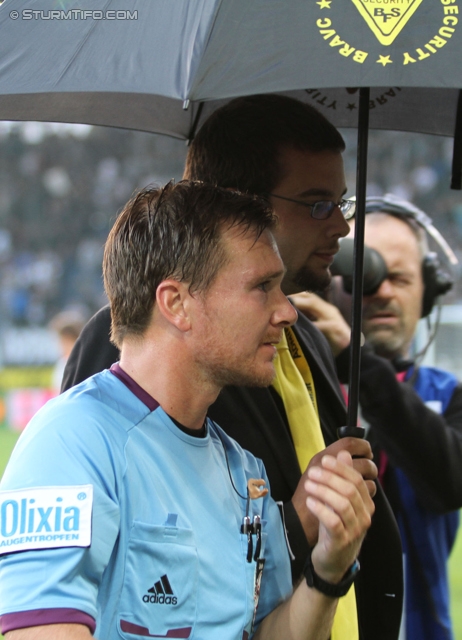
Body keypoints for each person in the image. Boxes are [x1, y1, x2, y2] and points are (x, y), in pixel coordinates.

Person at [61, 95, 404, 639]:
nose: (340, 226)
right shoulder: (133, 350)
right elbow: (137, 575)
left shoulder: (303, 339)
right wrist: (299, 520)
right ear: (240, 206)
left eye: (343, 202)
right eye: (317, 204)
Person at [0, 181, 376, 640]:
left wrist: (327, 572)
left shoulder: (243, 470)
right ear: (176, 303)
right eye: (262, 287)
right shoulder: (71, 444)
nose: (288, 311)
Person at [292, 194, 462, 640]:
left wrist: (357, 358)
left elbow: (450, 481)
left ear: (428, 292)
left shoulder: (446, 396)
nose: (382, 290)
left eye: (399, 278)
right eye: (365, 275)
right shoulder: (295, 382)